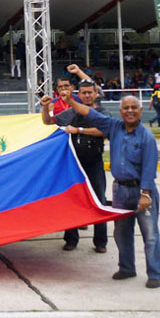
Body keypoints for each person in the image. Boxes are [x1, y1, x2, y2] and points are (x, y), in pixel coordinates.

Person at [60, 91, 160, 289]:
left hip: (142, 192)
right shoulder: (114, 127)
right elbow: (90, 113)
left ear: (141, 112)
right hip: (120, 191)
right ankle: (126, 268)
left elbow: (150, 169)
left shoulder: (147, 137)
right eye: (126, 108)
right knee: (121, 233)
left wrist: (146, 194)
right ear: (120, 111)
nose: (130, 111)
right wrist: (70, 101)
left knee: (150, 235)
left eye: (134, 108)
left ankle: (155, 273)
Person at [41, 81, 108, 253]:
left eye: (89, 93)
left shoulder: (100, 112)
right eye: (83, 92)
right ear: (79, 94)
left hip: (94, 163)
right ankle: (71, 239)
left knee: (99, 200)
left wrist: (78, 130)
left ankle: (101, 242)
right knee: (71, 200)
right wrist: (45, 107)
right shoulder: (71, 112)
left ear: (95, 94)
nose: (87, 95)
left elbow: (104, 130)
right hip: (73, 164)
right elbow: (49, 122)